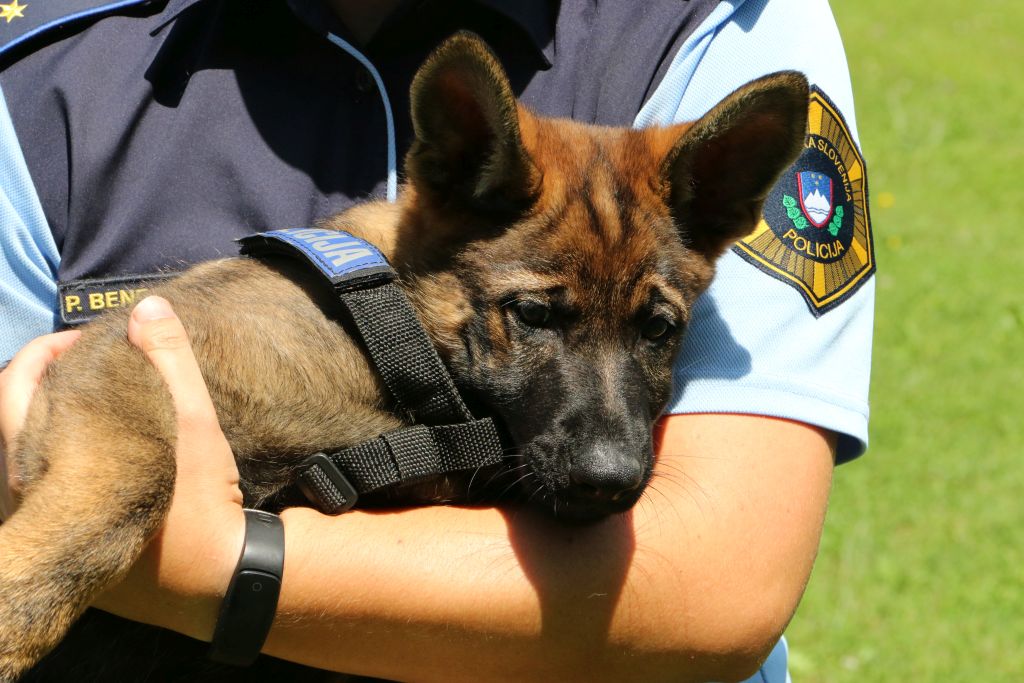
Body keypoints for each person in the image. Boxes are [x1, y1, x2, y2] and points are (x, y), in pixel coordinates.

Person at [0, 0, 873, 680]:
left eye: (654, 328)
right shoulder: (50, 65)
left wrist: (218, 565)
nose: (611, 455)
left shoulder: (705, 27)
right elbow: (107, 384)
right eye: (537, 317)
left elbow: (717, 587)